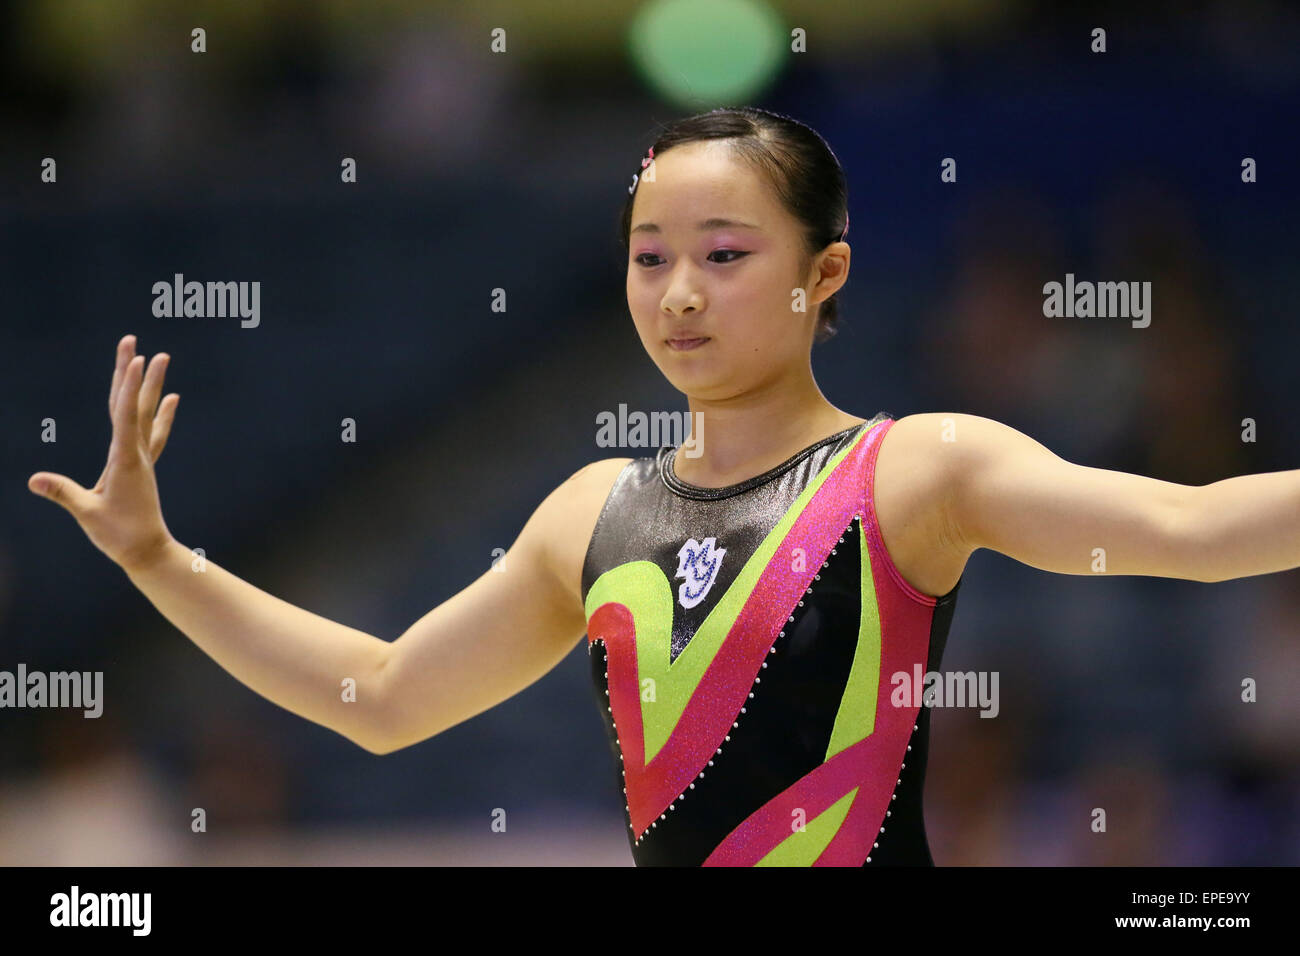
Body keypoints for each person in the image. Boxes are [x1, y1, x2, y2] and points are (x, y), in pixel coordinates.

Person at [28, 107, 1299, 866]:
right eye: (649, 257)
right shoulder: (589, 512)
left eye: (726, 254)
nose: (679, 291)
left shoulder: (916, 467)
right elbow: (383, 694)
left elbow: (1185, 527)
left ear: (826, 272)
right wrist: (158, 558)